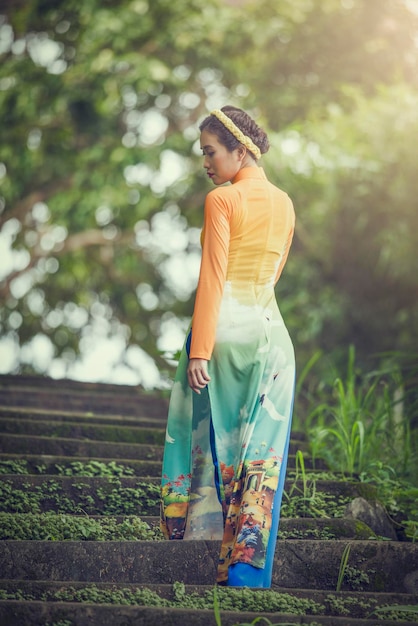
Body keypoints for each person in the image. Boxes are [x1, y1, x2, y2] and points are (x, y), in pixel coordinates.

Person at [160, 105, 295, 588]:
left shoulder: (223, 199)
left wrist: (200, 349)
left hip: (225, 337)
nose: (206, 162)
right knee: (261, 460)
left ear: (241, 150)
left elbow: (214, 277)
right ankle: (245, 578)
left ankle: (197, 556)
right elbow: (272, 276)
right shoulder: (285, 202)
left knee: (216, 448)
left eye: (211, 152)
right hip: (273, 341)